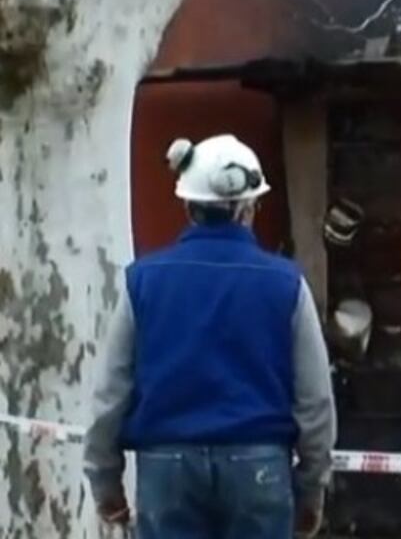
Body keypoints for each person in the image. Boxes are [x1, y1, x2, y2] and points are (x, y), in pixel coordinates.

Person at [83, 134, 336, 538]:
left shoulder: (142, 281)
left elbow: (110, 393)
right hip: (259, 467)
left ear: (187, 205)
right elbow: (315, 399)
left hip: (167, 469)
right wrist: (311, 488)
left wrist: (104, 480)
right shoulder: (286, 284)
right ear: (247, 209)